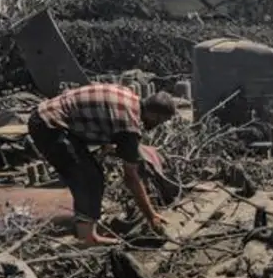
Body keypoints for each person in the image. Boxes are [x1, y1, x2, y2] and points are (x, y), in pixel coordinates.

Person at [27, 83, 178, 245]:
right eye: (160, 121)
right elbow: (131, 179)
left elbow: (102, 120)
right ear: (155, 115)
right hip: (49, 125)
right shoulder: (129, 125)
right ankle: (87, 238)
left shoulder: (129, 97)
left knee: (92, 173)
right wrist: (151, 216)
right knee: (88, 178)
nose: (158, 125)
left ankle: (87, 228)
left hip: (48, 116)